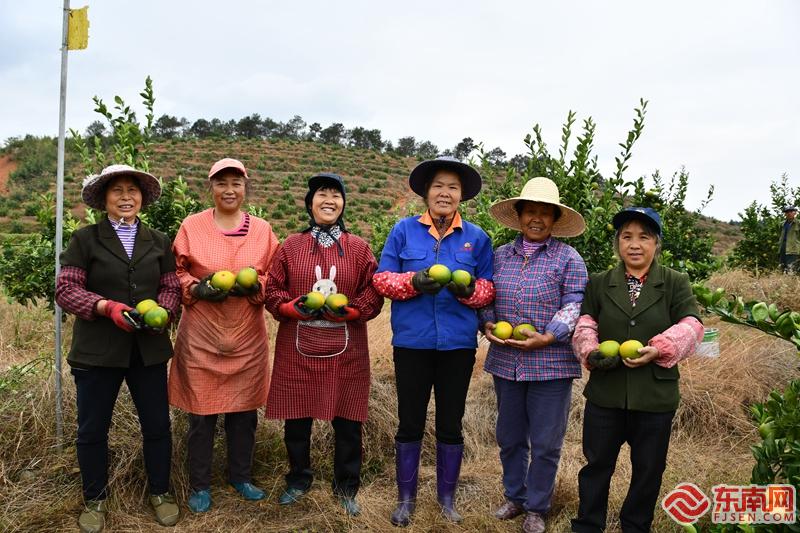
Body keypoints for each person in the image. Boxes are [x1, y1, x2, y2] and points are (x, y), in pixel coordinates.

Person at [55, 164, 181, 532]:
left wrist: (164, 312)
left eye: (132, 190)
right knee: (93, 428)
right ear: (103, 200)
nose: (126, 197)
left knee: (157, 425)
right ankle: (95, 497)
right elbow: (67, 289)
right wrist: (105, 307)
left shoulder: (159, 241)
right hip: (97, 351)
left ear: (142, 197)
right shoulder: (86, 239)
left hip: (148, 350)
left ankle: (161, 491)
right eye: (117, 191)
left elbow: (171, 288)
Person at [373, 156, 495, 527]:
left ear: (461, 196)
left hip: (458, 345)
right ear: (426, 192)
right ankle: (406, 499)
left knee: (450, 422)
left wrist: (468, 289)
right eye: (438, 186)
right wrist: (413, 283)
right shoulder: (403, 231)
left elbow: (489, 289)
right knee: (409, 421)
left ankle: (447, 499)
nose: (445, 192)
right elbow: (382, 280)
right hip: (412, 343)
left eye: (453, 187)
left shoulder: (477, 238)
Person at [570, 207, 704, 533]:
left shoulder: (674, 282)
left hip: (654, 394)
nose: (634, 244)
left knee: (648, 469)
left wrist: (662, 347)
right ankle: (588, 524)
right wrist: (590, 350)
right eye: (626, 236)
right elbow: (586, 322)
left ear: (656, 243)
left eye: (644, 237)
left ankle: (635, 525)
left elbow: (693, 324)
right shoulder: (600, 283)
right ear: (617, 243)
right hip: (607, 393)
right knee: (597, 465)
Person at [264, 173, 383, 516]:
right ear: (310, 202)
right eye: (322, 194)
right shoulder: (290, 246)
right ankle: (298, 479)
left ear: (343, 203)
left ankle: (346, 486)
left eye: (336, 194)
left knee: (348, 421)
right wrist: (288, 307)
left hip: (346, 350)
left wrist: (354, 310)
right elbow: (272, 290)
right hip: (297, 347)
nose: (329, 200)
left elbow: (373, 292)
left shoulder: (358, 248)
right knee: (297, 420)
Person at [168, 158, 279, 513]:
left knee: (244, 413)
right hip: (202, 334)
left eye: (236, 183)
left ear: (246, 188)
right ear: (211, 188)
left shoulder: (262, 230)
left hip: (246, 333)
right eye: (221, 183)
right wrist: (197, 289)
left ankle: (240, 476)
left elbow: (275, 276)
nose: (229, 190)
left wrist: (254, 286)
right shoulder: (192, 226)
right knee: (200, 415)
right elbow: (175, 272)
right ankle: (200, 484)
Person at [481, 177, 588, 533]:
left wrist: (549, 336)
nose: (537, 219)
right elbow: (487, 297)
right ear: (520, 216)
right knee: (509, 435)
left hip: (551, 364)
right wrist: (488, 324)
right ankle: (515, 495)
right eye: (531, 212)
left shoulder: (568, 258)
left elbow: (575, 303)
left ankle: (537, 507)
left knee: (545, 442)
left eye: (545, 213)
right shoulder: (499, 256)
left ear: (555, 219)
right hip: (506, 361)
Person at [779, 205, 799, 274]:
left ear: (795, 213)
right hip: (783, 247)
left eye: (791, 211)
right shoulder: (782, 224)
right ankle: (784, 283)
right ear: (785, 214)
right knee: (782, 268)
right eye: (787, 212)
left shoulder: (798, 223)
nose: (789, 213)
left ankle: (792, 283)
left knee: (791, 269)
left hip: (793, 249)